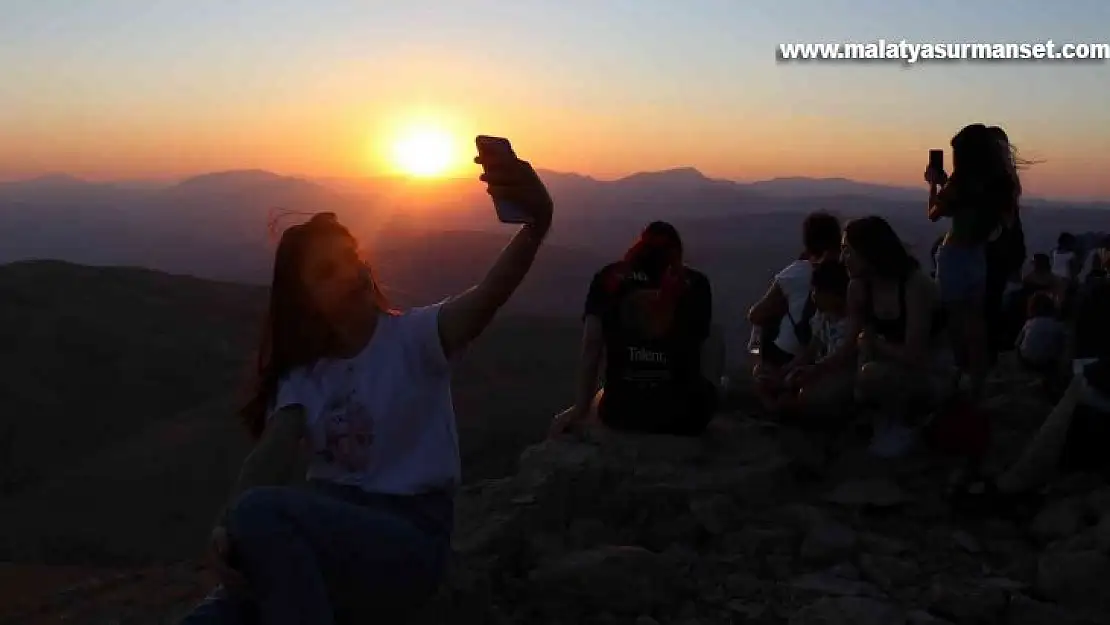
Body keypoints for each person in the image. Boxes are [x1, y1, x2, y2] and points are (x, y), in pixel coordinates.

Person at [180, 150, 554, 625]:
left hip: (409, 540)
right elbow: (272, 452)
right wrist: (227, 526)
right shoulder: (305, 375)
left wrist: (535, 227)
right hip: (330, 536)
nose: (349, 272)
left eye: (349, 257)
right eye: (325, 272)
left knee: (259, 516)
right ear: (305, 300)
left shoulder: (414, 340)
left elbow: (486, 298)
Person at [549, 221, 722, 437]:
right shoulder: (696, 283)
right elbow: (703, 343)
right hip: (685, 415)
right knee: (714, 334)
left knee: (604, 392)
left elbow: (591, 346)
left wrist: (581, 408)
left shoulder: (608, 279)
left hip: (620, 413)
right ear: (677, 253)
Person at [841, 216, 954, 458]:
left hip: (931, 373)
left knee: (871, 376)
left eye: (848, 252)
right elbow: (849, 344)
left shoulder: (914, 286)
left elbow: (916, 355)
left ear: (869, 252)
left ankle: (905, 425)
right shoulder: (860, 288)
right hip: (888, 368)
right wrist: (813, 370)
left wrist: (874, 345)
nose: (843, 259)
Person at [928, 123, 1015, 401]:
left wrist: (933, 183)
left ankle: (959, 374)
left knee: (955, 321)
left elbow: (934, 213)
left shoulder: (959, 183)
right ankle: (978, 380)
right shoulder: (1000, 184)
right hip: (978, 255)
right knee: (976, 322)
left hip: (954, 255)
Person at [748, 211, 842, 402]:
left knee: (758, 326)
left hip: (789, 352)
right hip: (820, 352)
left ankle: (758, 367)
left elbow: (755, 315)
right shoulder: (846, 269)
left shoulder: (796, 272)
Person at [769, 259, 857, 420]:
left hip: (841, 375)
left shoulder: (849, 324)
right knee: (791, 382)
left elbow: (843, 359)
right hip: (822, 371)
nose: (814, 296)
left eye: (817, 291)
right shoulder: (822, 317)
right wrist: (788, 369)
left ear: (835, 294)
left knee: (808, 396)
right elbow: (810, 350)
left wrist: (814, 371)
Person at [1015, 292, 1066, 382]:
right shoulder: (1057, 325)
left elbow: (1017, 343)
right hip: (1049, 362)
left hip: (1027, 361)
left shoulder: (1029, 323)